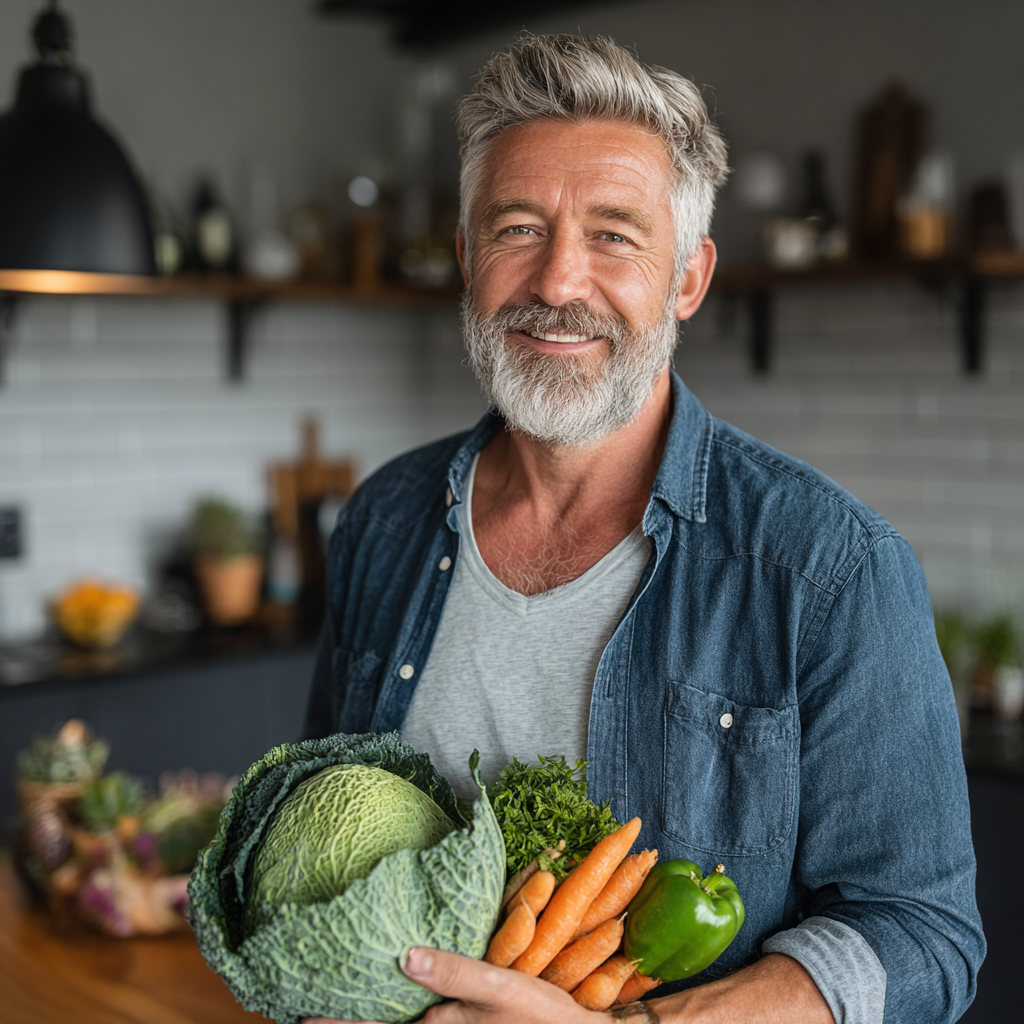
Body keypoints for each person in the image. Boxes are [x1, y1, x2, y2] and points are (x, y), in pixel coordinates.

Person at [303, 34, 984, 1024]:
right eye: (517, 228)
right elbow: (323, 826)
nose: (557, 281)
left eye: (614, 233)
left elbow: (921, 934)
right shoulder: (382, 522)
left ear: (689, 279)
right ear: (465, 259)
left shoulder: (831, 570)